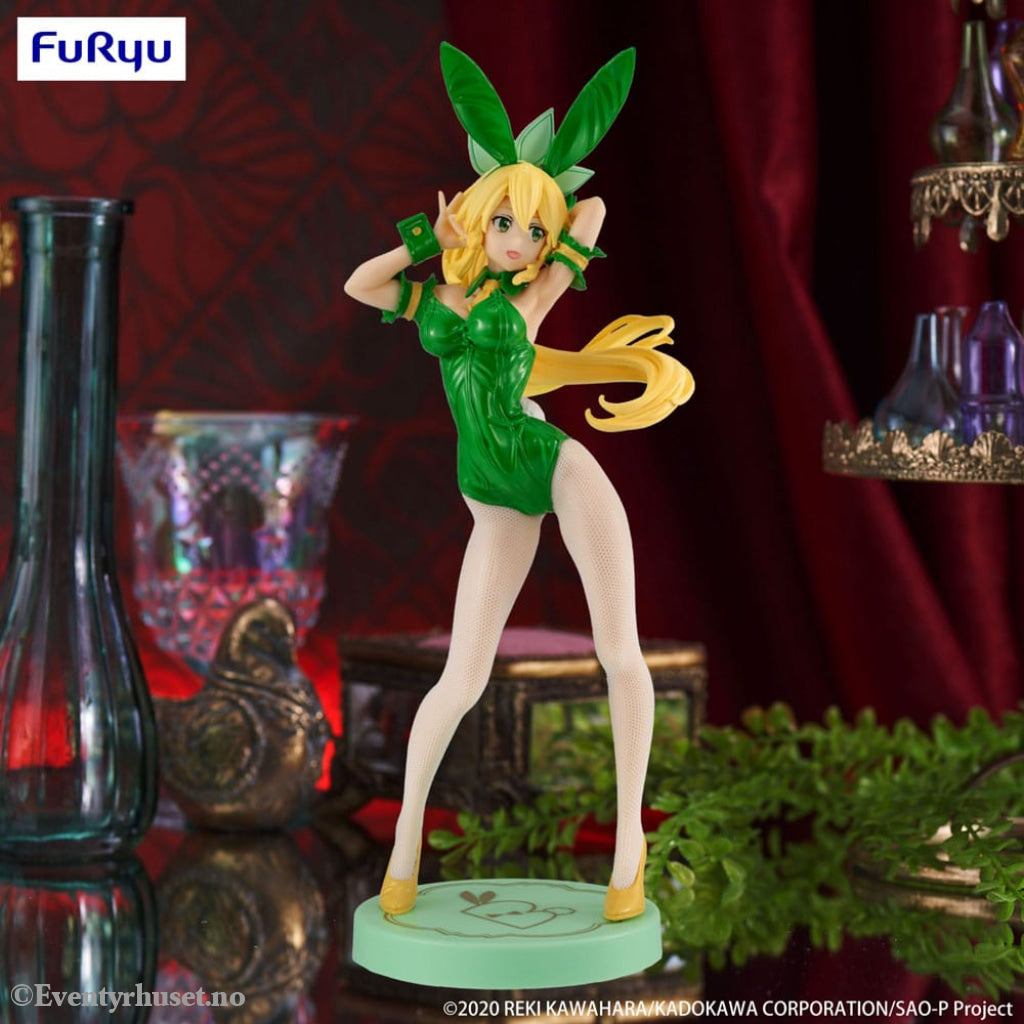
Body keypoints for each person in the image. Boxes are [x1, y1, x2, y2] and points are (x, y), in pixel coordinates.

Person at [344, 43, 694, 922]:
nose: (521, 240)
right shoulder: (436, 301)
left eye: (534, 232)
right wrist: (432, 239)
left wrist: (539, 185)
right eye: (509, 222)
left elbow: (595, 210)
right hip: (492, 494)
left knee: (619, 650)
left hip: (552, 462)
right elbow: (360, 284)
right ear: (479, 215)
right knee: (460, 679)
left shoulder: (529, 302)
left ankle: (628, 849)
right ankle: (404, 849)